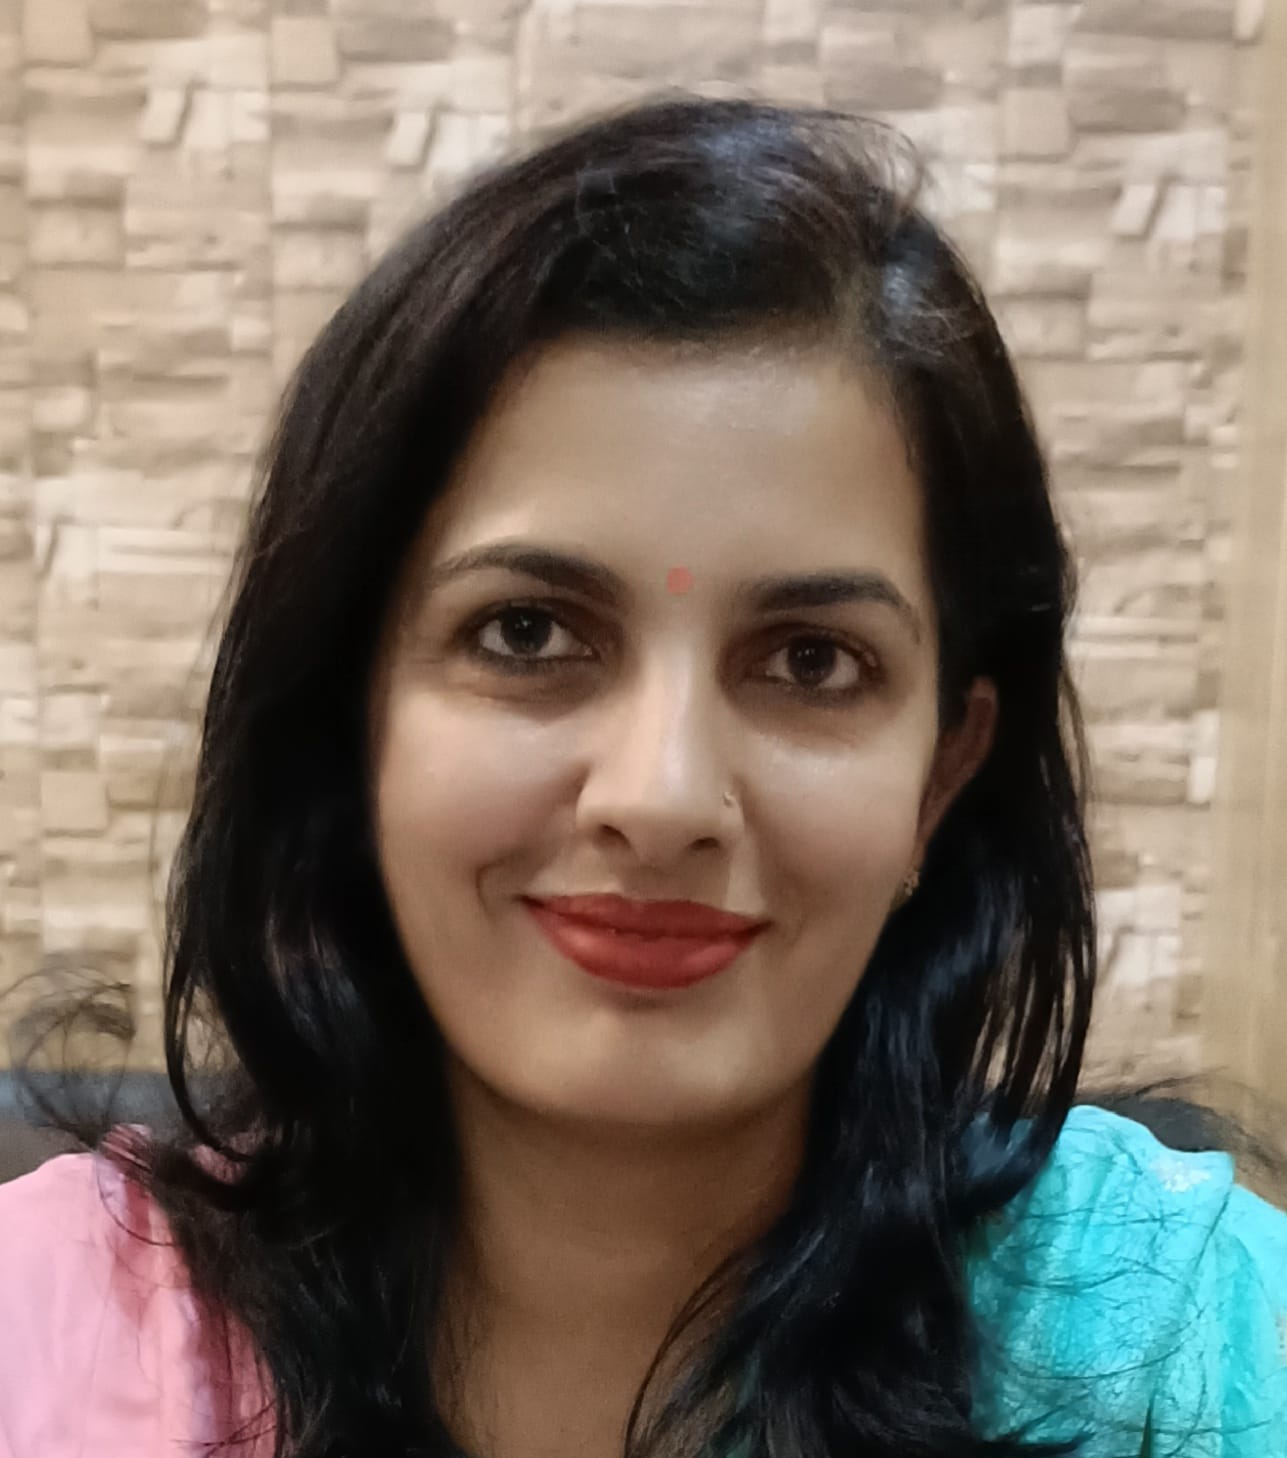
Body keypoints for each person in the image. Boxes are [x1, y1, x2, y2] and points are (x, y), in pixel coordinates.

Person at [1, 92, 1284, 1458]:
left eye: (810, 661)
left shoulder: (1185, 1349)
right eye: (528, 633)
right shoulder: (51, 1332)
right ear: (350, 714)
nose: (664, 798)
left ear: (941, 773)